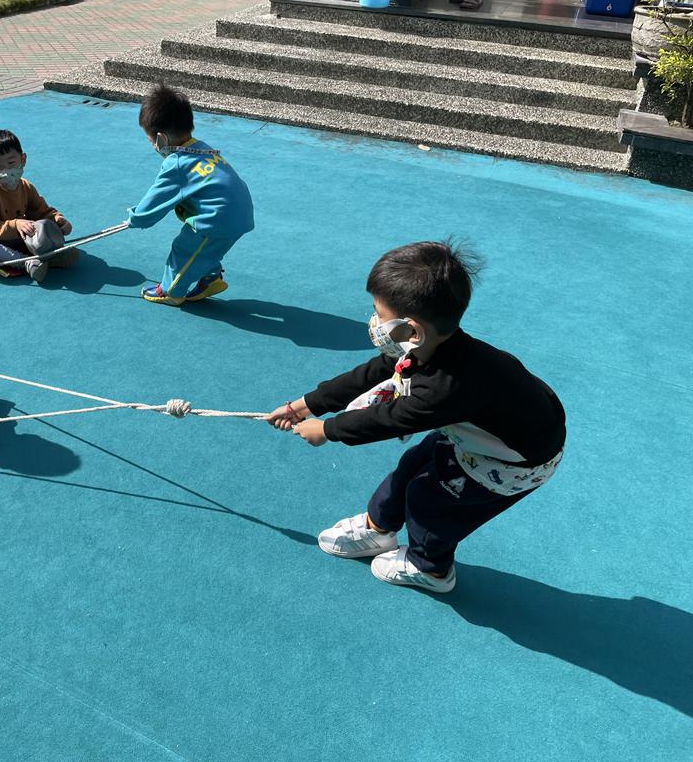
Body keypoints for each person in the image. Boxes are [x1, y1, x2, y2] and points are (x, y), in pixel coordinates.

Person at [265, 241, 566, 593]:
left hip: (515, 462)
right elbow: (372, 373)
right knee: (412, 464)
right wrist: (306, 405)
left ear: (412, 329)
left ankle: (431, 568)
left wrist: (327, 430)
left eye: (378, 313)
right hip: (483, 432)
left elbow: (387, 419)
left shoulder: (445, 388)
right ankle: (378, 528)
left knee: (431, 501)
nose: (373, 321)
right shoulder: (429, 347)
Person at [127, 83, 254, 306]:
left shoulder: (177, 163)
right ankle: (211, 278)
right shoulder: (202, 147)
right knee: (205, 250)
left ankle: (170, 291)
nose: (153, 146)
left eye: (151, 141)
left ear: (161, 139)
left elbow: (155, 201)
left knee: (184, 248)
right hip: (238, 212)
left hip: (217, 218)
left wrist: (136, 218)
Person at [0, 129, 75, 283]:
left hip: (17, 235)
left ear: (23, 159)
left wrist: (58, 220)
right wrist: (16, 224)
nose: (6, 171)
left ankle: (52, 257)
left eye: (11, 163)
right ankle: (26, 262)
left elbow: (41, 211)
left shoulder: (26, 186)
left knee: (44, 225)